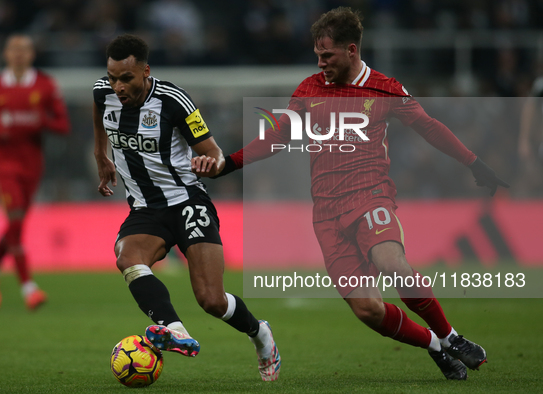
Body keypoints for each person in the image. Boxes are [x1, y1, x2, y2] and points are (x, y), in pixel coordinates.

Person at [202, 7, 509, 380]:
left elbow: (428, 127)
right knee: (368, 310)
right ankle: (435, 347)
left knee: (392, 264)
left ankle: (451, 337)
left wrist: (475, 163)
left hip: (370, 196)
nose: (321, 63)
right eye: (317, 55)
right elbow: (278, 137)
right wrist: (229, 163)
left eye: (327, 55)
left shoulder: (384, 88)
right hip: (327, 213)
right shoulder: (309, 90)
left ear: (351, 50)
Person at [92, 34, 280, 381]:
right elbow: (99, 116)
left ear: (145, 72)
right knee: (127, 257)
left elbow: (213, 151)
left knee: (211, 300)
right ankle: (175, 330)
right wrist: (101, 156)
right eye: (113, 77)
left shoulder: (173, 100)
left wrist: (210, 162)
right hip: (146, 210)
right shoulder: (102, 92)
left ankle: (260, 333)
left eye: (126, 78)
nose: (117, 86)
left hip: (187, 201)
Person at [0, 34, 70, 310]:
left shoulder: (45, 85)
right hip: (3, 162)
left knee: (16, 223)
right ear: (5, 53)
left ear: (32, 54)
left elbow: (63, 125)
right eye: (13, 49)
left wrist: (42, 122)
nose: (18, 54)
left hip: (32, 163)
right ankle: (28, 287)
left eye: (24, 49)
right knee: (14, 219)